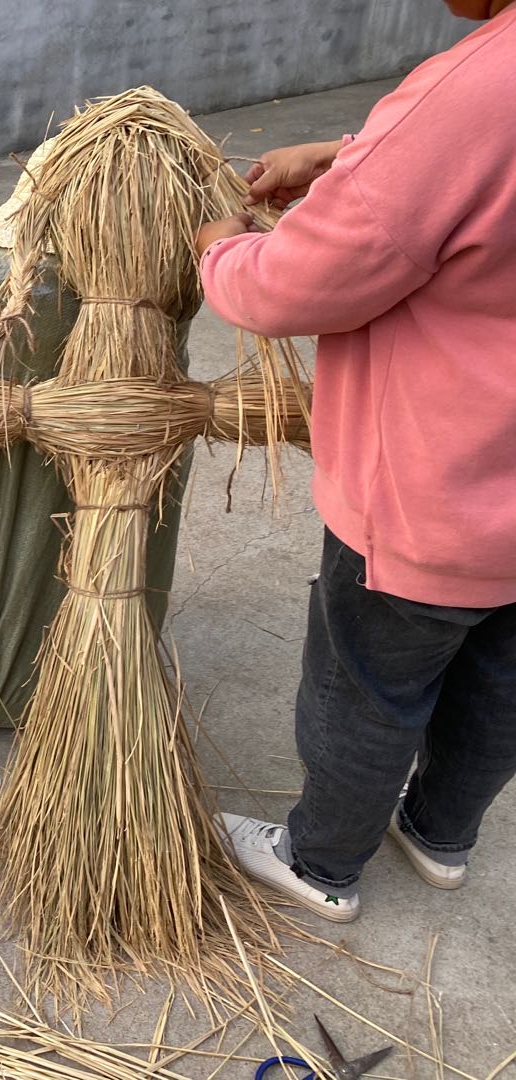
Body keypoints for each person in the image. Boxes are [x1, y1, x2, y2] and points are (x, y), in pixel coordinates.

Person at [194, 0, 516, 922]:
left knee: (369, 686)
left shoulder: (477, 87)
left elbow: (299, 281)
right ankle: (441, 833)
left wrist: (224, 254)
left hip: (436, 488)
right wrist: (347, 155)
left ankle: (321, 861)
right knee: (499, 679)